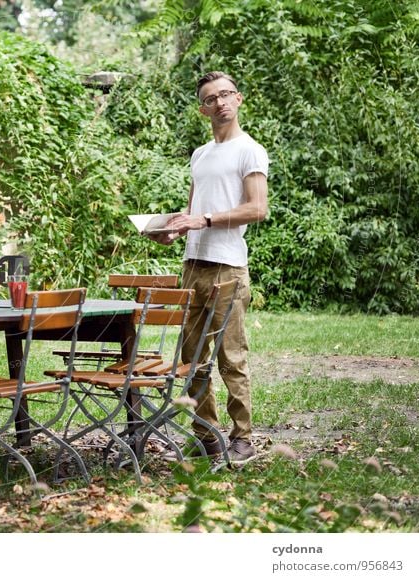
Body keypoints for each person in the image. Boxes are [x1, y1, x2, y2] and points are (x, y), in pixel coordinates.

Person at [153, 71, 269, 464]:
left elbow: (257, 208)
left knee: (231, 357)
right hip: (193, 266)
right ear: (202, 109)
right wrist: (170, 230)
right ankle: (206, 437)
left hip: (228, 268)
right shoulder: (200, 155)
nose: (219, 103)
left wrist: (201, 220)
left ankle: (243, 439)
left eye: (226, 95)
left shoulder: (249, 150)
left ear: (238, 99)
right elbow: (191, 211)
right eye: (210, 98)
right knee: (192, 359)